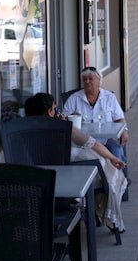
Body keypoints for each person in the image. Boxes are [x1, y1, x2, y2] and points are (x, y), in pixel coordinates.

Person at [24, 93, 127, 232]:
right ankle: (106, 216)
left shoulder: (24, 132)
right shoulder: (63, 128)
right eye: (54, 108)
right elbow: (93, 144)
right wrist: (113, 158)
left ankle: (101, 213)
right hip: (73, 180)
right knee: (106, 171)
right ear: (49, 112)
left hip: (41, 182)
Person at [63, 67, 129, 170]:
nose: (87, 82)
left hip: (106, 140)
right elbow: (64, 120)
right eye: (84, 79)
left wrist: (124, 131)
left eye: (91, 79)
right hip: (83, 142)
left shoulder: (109, 97)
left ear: (99, 81)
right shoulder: (74, 99)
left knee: (118, 152)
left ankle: (122, 179)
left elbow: (119, 118)